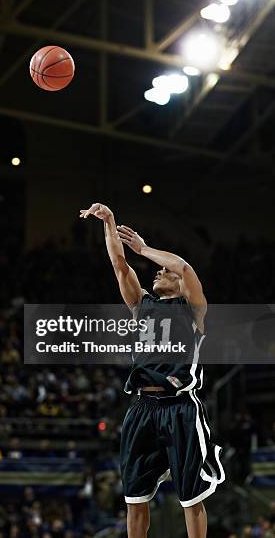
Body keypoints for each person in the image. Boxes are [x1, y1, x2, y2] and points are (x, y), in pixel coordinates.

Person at [80, 203, 225, 538]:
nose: (158, 272)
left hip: (181, 407)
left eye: (164, 272)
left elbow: (184, 268)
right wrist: (109, 222)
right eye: (157, 271)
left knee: (191, 496)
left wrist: (144, 249)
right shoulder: (141, 305)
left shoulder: (193, 311)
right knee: (134, 496)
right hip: (143, 407)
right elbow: (119, 266)